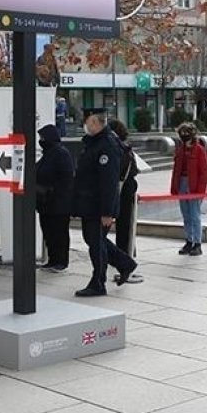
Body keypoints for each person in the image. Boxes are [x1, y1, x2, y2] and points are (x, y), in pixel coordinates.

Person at [72, 113, 137, 297]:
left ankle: (98, 282)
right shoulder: (94, 142)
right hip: (89, 202)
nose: (85, 125)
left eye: (87, 122)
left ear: (94, 122)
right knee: (93, 239)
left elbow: (109, 182)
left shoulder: (107, 145)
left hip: (98, 205)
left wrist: (107, 211)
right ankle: (125, 263)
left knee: (96, 244)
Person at [35, 124, 74, 272]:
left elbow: (65, 179)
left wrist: (51, 191)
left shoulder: (61, 154)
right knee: (49, 233)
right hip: (45, 203)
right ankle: (52, 260)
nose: (41, 141)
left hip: (58, 203)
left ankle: (61, 261)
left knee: (59, 233)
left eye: (43, 138)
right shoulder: (47, 154)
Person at [170, 122, 207, 255]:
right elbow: (176, 170)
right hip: (182, 182)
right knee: (186, 215)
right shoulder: (180, 149)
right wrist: (174, 187)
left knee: (195, 215)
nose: (184, 136)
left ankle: (197, 243)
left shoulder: (199, 149)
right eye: (182, 134)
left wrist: (200, 190)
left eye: (187, 134)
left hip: (194, 185)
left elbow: (204, 172)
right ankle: (189, 240)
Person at [109, 119, 138, 257]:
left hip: (123, 188)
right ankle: (127, 249)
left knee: (124, 222)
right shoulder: (126, 147)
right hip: (127, 186)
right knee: (125, 222)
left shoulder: (119, 149)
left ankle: (124, 252)